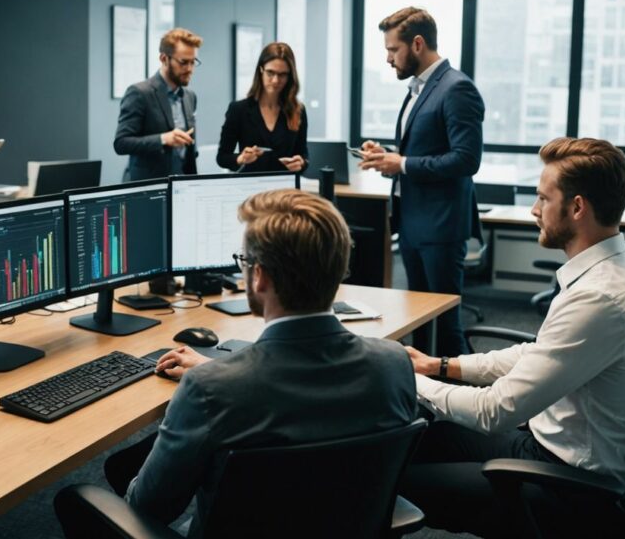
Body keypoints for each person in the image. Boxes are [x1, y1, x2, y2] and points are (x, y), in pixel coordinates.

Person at [100, 189, 418, 535]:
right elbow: (300, 389)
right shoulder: (394, 364)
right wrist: (221, 371)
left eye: (245, 262)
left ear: (260, 276)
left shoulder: (210, 391)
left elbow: (149, 507)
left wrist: (220, 377)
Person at [400, 137, 625, 537]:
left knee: (393, 482)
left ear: (577, 208)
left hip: (574, 488)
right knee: (422, 442)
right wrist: (440, 366)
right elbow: (539, 352)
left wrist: (413, 382)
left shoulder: (602, 298)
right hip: (552, 448)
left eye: (543, 198)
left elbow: (495, 412)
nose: (534, 209)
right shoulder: (619, 270)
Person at [359, 7, 484, 357]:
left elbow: (466, 159)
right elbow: (424, 147)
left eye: (392, 49)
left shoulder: (457, 88)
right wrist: (389, 155)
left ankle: (461, 405)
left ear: (417, 44)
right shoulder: (420, 87)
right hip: (414, 223)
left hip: (441, 228)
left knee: (445, 327)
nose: (388, 59)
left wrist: (404, 163)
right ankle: (425, 396)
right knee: (420, 322)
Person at [114, 28, 201, 181]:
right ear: (164, 58)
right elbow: (121, 143)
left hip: (183, 187)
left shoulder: (190, 96)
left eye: (193, 62)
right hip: (147, 188)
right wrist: (163, 139)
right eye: (183, 62)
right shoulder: (139, 93)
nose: (189, 69)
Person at [216, 42, 307, 173]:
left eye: (282, 74)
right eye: (270, 73)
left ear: (290, 76)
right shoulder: (238, 109)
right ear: (261, 70)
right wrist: (240, 159)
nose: (275, 80)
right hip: (250, 188)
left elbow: (303, 154)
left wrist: (301, 163)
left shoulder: (298, 110)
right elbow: (222, 157)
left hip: (285, 189)